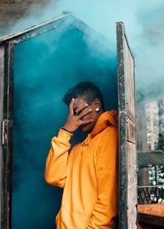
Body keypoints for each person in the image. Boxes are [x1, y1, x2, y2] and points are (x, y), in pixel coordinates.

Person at [45, 81, 118, 229]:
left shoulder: (109, 137)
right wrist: (65, 132)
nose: (74, 119)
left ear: (96, 105)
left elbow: (107, 205)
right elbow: (53, 177)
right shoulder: (77, 149)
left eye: (77, 112)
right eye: (71, 114)